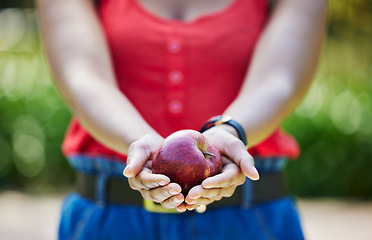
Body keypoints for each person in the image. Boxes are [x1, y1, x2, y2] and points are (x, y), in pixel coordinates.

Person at [36, 0, 326, 239]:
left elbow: (279, 79)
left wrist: (230, 131)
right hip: (110, 217)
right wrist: (139, 142)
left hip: (251, 217)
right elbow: (82, 78)